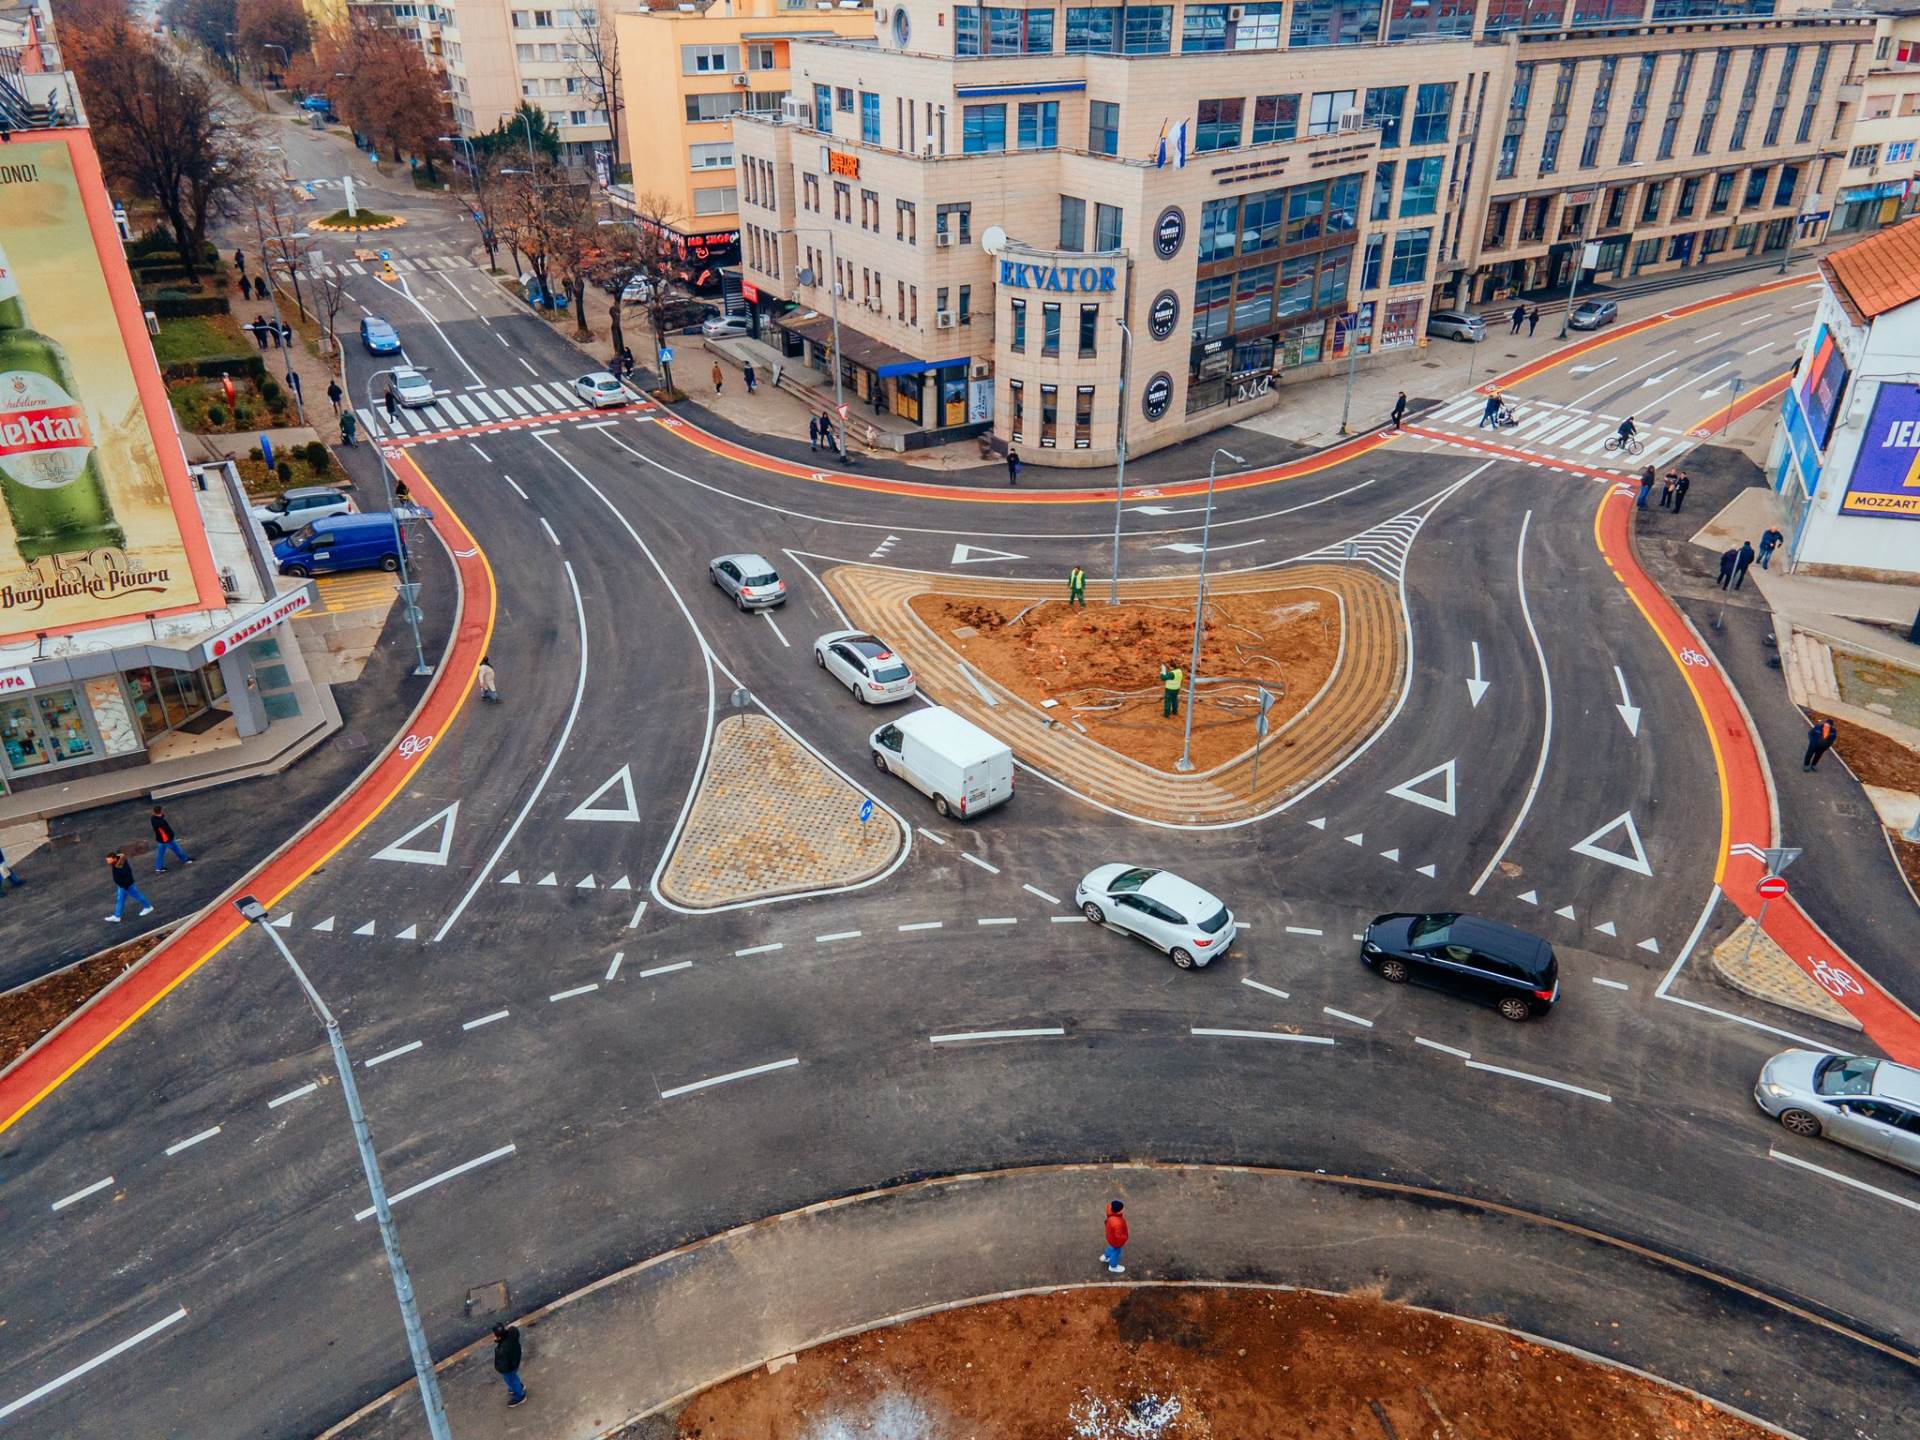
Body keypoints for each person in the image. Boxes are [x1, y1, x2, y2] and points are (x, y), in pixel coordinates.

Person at [104, 850, 153, 923]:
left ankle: (148, 907)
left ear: (114, 859)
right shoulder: (117, 862)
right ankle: (117, 916)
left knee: (137, 896)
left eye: (109, 860)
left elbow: (126, 876)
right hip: (122, 886)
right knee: (120, 900)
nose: (107, 862)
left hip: (126, 886)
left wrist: (124, 886)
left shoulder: (121, 867)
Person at [492, 1323, 526, 1407]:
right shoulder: (513, 1332)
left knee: (510, 1379)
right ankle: (518, 1387)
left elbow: (501, 1364)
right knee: (513, 1377)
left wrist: (498, 1341)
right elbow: (512, 1328)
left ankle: (520, 1396)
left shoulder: (501, 1349)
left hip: (509, 1367)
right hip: (516, 1359)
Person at [150, 807, 191, 872]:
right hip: (167, 839)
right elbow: (167, 831)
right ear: (161, 811)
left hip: (160, 839)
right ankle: (185, 860)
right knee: (177, 849)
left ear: (154, 812)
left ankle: (159, 867)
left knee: (160, 854)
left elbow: (158, 817)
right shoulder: (162, 822)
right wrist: (171, 836)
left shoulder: (153, 819)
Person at [1102, 1200, 1129, 1275]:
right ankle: (1113, 1266)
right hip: (1115, 1241)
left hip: (1110, 1235)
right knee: (1116, 1252)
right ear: (1119, 1212)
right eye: (1122, 1209)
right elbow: (1119, 1236)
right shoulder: (1118, 1223)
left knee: (1111, 1247)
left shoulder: (1110, 1209)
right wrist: (1125, 1237)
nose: (1124, 1209)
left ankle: (1106, 1256)